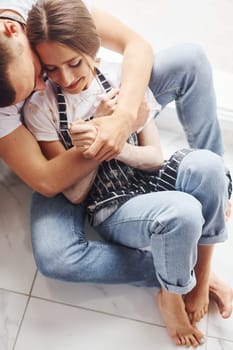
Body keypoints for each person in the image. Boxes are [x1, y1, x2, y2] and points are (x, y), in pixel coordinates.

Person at [0, 0, 232, 345]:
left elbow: (136, 45)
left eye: (37, 74)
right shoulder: (36, 107)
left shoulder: (49, 17)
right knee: (56, 257)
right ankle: (180, 272)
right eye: (47, 70)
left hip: (116, 137)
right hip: (63, 163)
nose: (44, 85)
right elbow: (48, 180)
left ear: (12, 29)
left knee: (191, 60)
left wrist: (123, 118)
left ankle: (218, 192)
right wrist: (100, 135)